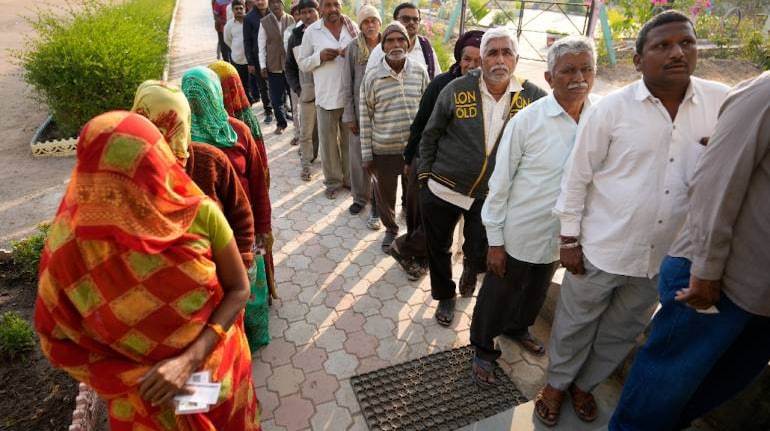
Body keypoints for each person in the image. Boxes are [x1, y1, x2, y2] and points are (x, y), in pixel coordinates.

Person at [536, 11, 730, 427]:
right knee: (574, 323)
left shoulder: (722, 103)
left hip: (663, 258)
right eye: (662, 45)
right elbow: (577, 177)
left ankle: (583, 385)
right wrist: (568, 240)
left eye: (686, 43)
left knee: (622, 331)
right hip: (600, 249)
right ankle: (555, 384)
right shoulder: (610, 111)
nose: (677, 52)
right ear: (639, 60)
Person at [35, 111, 260, 430]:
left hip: (215, 382)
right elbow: (55, 338)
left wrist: (188, 360)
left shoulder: (196, 214)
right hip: (144, 404)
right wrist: (134, 378)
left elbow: (238, 289)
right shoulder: (71, 249)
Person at [609, 71, 770, 431]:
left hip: (762, 298)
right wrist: (707, 269)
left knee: (720, 384)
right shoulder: (764, 94)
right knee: (661, 387)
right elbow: (715, 183)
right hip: (716, 281)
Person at [469, 36, 599, 386]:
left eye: (587, 69)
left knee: (537, 290)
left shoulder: (601, 116)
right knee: (499, 294)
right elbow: (500, 184)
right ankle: (482, 348)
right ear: (548, 77)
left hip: (562, 235)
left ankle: (517, 327)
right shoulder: (528, 121)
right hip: (519, 232)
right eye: (568, 70)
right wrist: (495, 241)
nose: (579, 78)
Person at [417, 27, 547, 327]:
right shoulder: (456, 89)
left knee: (479, 250)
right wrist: (425, 179)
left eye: (506, 52)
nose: (499, 59)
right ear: (483, 59)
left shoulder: (533, 98)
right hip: (443, 189)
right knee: (438, 248)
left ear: (516, 59)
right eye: (492, 52)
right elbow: (430, 135)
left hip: (490, 196)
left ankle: (469, 271)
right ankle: (445, 295)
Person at [388, 30, 483, 281]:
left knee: (448, 226)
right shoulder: (441, 84)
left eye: (479, 60)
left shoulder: (491, 92)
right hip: (431, 164)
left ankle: (413, 252)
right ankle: (414, 256)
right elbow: (420, 125)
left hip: (469, 174)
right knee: (425, 217)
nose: (472, 66)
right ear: (458, 59)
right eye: (467, 59)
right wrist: (410, 160)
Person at [131, 80, 256, 269]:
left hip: (216, 282)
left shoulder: (210, 160)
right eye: (154, 126)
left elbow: (241, 216)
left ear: (186, 124)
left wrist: (241, 264)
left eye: (175, 126)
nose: (164, 139)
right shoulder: (126, 170)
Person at [181, 67, 276, 300]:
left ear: (215, 94)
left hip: (245, 227)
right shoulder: (181, 140)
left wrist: (263, 227)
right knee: (220, 295)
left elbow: (258, 187)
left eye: (202, 95)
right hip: (204, 238)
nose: (197, 102)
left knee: (253, 293)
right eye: (191, 97)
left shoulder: (238, 132)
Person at [207, 61, 278, 301]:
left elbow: (259, 166)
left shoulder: (242, 122)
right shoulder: (202, 126)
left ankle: (261, 292)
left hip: (244, 206)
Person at [359, 21, 428, 252]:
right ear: (383, 44)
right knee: (385, 195)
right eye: (390, 40)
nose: (396, 44)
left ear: (408, 44)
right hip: (383, 149)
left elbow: (428, 112)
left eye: (401, 40)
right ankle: (391, 229)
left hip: (414, 151)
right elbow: (365, 117)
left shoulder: (419, 71)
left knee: (414, 197)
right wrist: (367, 154)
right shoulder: (372, 77)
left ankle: (411, 234)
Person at [297, 0, 358, 199]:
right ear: (320, 9)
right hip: (326, 96)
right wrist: (320, 57)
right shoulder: (312, 32)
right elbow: (303, 63)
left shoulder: (352, 27)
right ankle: (333, 181)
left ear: (341, 6)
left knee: (349, 142)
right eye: (327, 5)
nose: (332, 9)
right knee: (328, 143)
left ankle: (349, 179)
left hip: (349, 98)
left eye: (336, 4)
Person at [341, 4, 381, 226]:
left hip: (383, 113)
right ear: (360, 25)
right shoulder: (353, 48)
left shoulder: (388, 44)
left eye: (373, 20)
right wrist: (350, 116)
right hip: (359, 112)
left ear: (379, 23)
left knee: (381, 160)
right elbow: (347, 84)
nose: (370, 25)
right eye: (365, 22)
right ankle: (359, 198)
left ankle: (380, 200)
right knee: (358, 158)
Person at [285, 0, 320, 181]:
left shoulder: (328, 32)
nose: (307, 16)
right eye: (303, 12)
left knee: (328, 133)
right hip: (307, 91)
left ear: (318, 11)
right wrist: (298, 88)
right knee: (306, 132)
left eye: (311, 11)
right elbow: (289, 67)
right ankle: (306, 166)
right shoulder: (295, 36)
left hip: (329, 91)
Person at [365, 2, 441, 79]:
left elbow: (436, 78)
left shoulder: (425, 47)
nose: (411, 22)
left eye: (415, 19)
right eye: (406, 19)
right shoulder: (380, 50)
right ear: (394, 20)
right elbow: (368, 81)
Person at [258, 0, 294, 134]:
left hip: (290, 66)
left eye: (278, 2)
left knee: (293, 97)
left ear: (283, 4)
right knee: (275, 98)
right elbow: (261, 46)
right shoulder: (264, 22)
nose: (275, 5)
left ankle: (298, 125)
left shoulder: (291, 20)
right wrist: (262, 65)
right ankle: (281, 123)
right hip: (273, 66)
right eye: (272, 2)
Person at [244, 0, 274, 123]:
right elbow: (247, 41)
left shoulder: (274, 13)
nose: (261, 2)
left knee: (277, 81)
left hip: (274, 54)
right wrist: (250, 62)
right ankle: (268, 110)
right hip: (257, 56)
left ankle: (281, 108)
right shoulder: (249, 18)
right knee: (263, 85)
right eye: (258, 0)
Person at [224, 0, 254, 104]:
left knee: (255, 82)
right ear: (232, 10)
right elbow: (227, 40)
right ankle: (247, 102)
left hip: (251, 59)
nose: (239, 11)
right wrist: (235, 48)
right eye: (236, 9)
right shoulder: (229, 25)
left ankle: (257, 98)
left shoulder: (249, 21)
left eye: (241, 8)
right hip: (238, 59)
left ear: (244, 9)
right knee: (242, 82)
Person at [286, 1, 302, 146]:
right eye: (297, 14)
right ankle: (297, 135)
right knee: (297, 109)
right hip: (296, 78)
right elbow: (289, 60)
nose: (300, 17)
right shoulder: (290, 33)